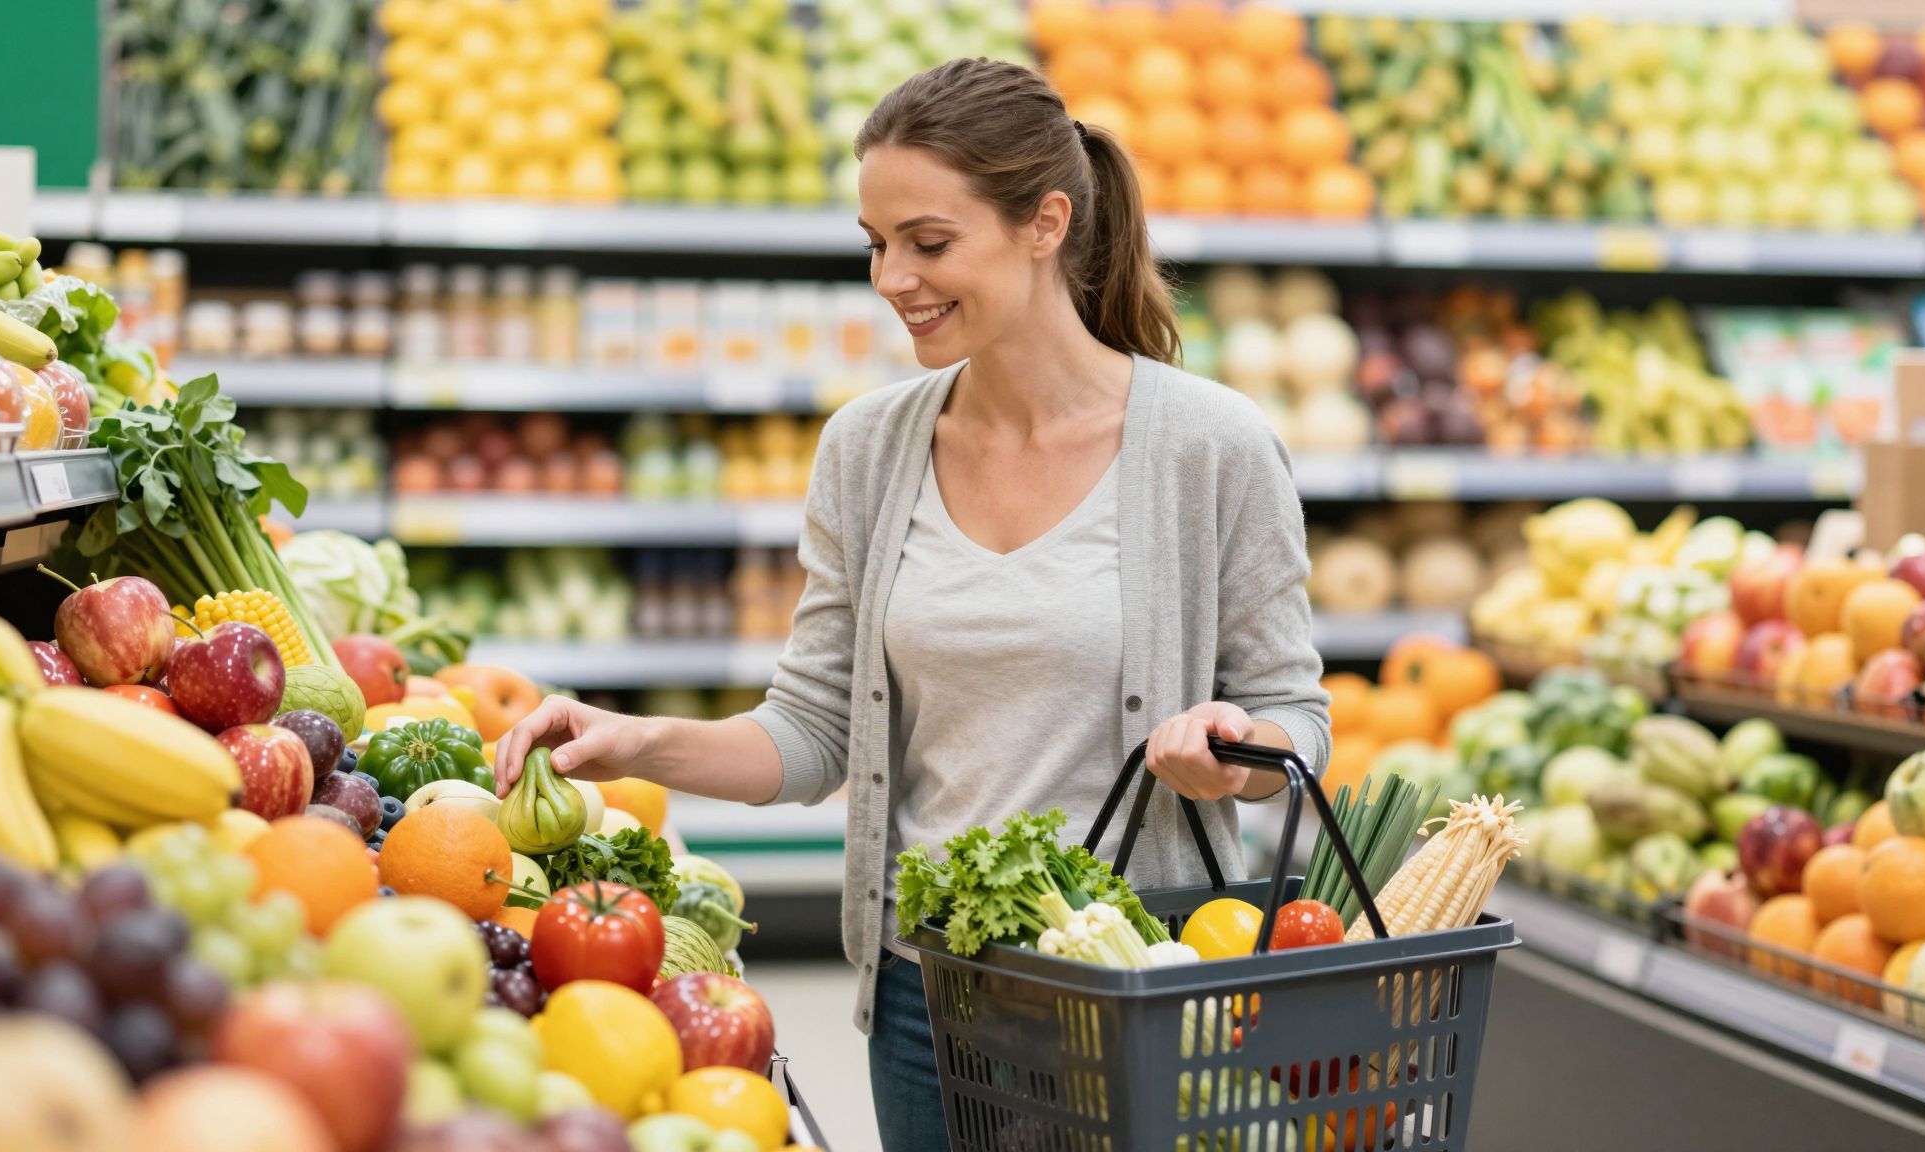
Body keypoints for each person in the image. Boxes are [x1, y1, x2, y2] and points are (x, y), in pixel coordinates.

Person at [491, 57, 1329, 1152]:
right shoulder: (868, 449)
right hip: (922, 997)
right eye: (875, 243)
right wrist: (636, 739)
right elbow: (813, 731)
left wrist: (1233, 746)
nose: (891, 278)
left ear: (1044, 224)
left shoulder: (1211, 447)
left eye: (927, 244)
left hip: (1139, 986)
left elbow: (1293, 717)